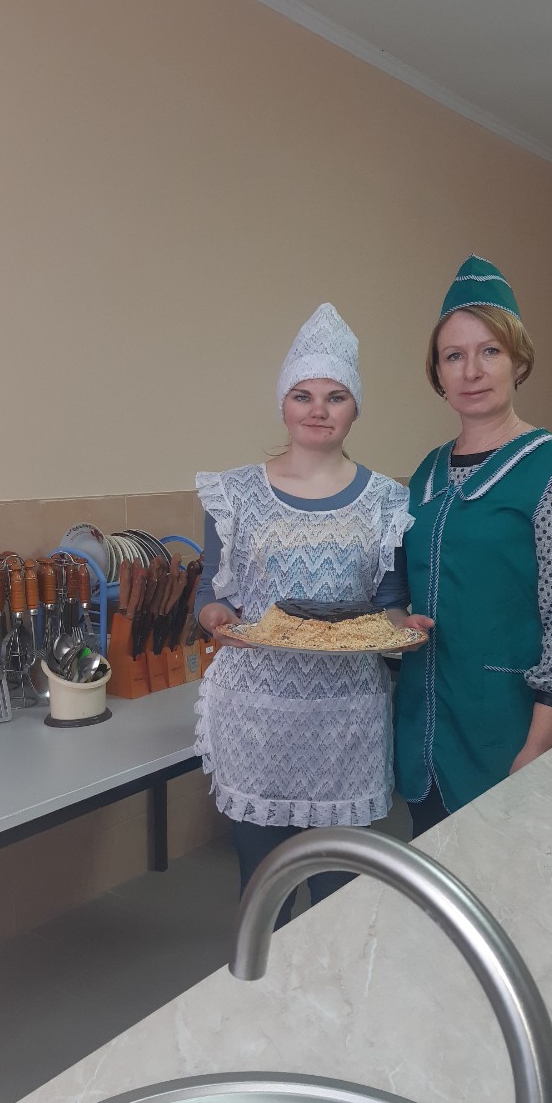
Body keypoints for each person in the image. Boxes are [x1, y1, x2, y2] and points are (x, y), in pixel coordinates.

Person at [194, 303, 417, 923]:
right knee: (262, 882)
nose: (318, 409)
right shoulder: (235, 494)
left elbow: (389, 604)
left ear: (355, 409)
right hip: (257, 715)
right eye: (303, 395)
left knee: (337, 891)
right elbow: (212, 591)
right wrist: (214, 617)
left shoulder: (386, 501)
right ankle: (262, 977)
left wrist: (403, 628)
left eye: (335, 396)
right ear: (283, 405)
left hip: (346, 719)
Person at [393, 256, 552, 837]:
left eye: (490, 351)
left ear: (518, 361)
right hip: (424, 721)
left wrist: (539, 744)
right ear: (438, 373)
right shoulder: (427, 471)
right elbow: (405, 586)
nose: (472, 371)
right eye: (453, 356)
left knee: (502, 872)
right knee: (431, 863)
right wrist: (394, 619)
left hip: (506, 726)